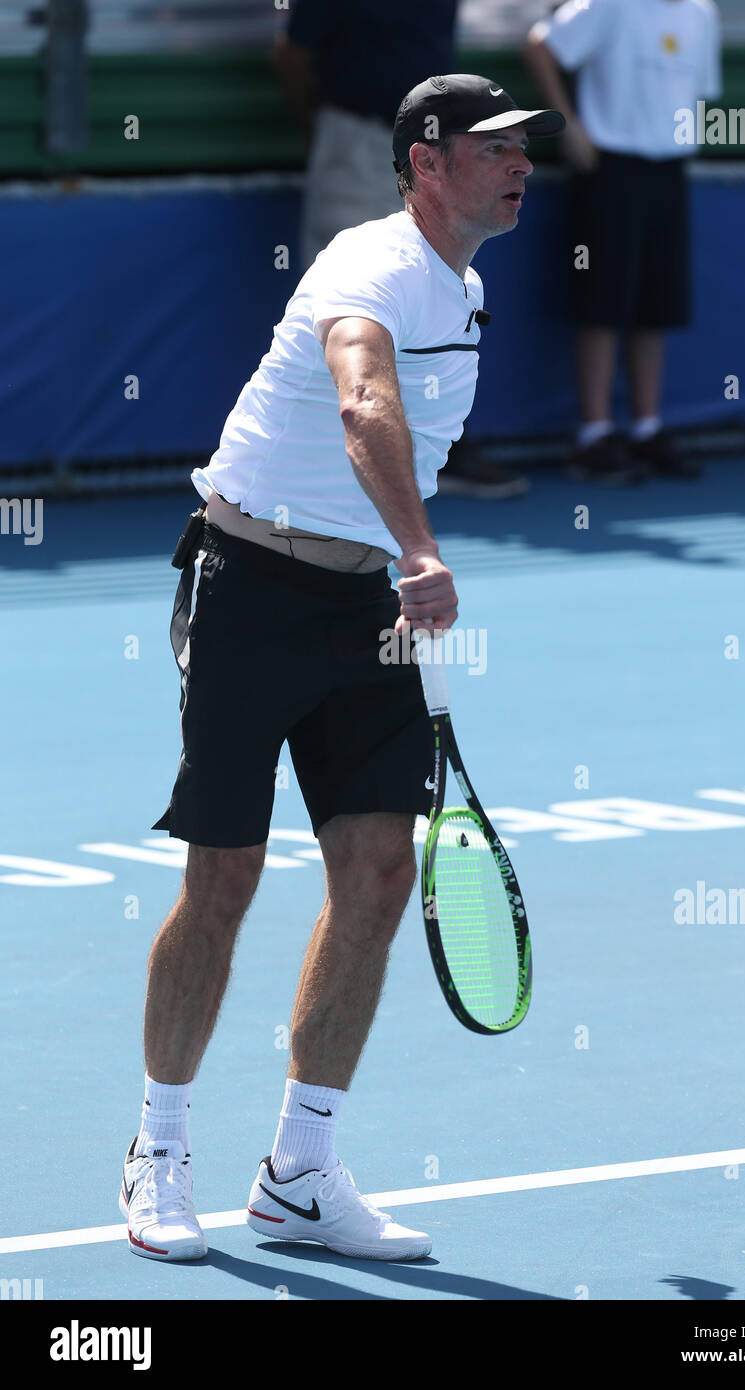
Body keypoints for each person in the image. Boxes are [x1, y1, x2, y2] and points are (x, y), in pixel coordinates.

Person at [121, 74, 564, 1264]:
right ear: (426, 162)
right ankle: (159, 1147)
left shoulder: (463, 285)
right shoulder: (363, 270)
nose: (521, 162)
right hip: (249, 584)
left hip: (357, 603)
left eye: (525, 146)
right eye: (495, 147)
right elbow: (365, 402)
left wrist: (393, 561)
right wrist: (422, 546)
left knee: (374, 873)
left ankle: (300, 1174)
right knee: (225, 876)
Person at [273, 0, 528, 498]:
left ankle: (439, 449)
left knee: (433, 284)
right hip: (356, 138)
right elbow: (292, 55)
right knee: (350, 304)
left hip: (432, 154)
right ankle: (333, 460)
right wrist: (326, 127)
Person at [524, 0, 722, 483]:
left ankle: (646, 429)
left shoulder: (702, 13)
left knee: (657, 302)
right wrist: (568, 125)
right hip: (609, 169)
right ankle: (592, 436)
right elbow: (539, 45)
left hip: (669, 170)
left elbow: (698, 93)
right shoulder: (609, 4)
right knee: (603, 301)